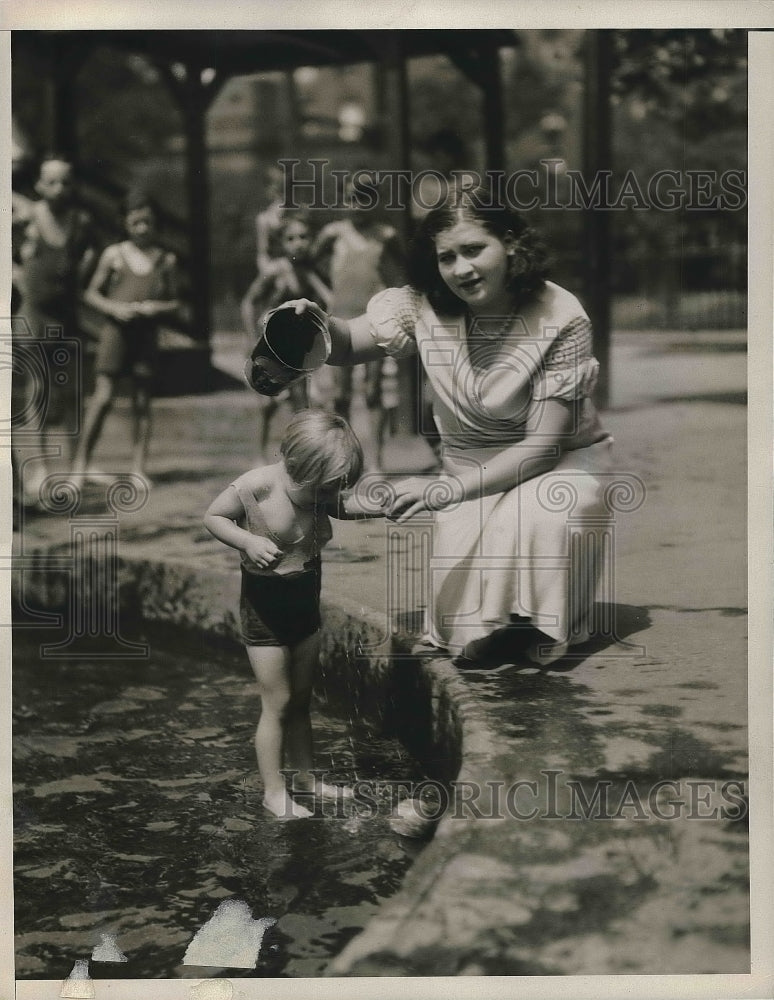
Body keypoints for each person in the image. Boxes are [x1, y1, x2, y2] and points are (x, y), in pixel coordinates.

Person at [282, 183, 615, 669]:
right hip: (470, 463)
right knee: (463, 625)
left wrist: (442, 491)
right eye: (447, 257)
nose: (462, 269)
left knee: (538, 514)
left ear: (511, 244)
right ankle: (504, 623)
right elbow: (350, 342)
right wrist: (314, 323)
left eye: (475, 249)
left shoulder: (562, 317)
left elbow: (544, 446)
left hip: (559, 461)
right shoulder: (421, 304)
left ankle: (538, 628)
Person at [203, 410, 385, 819]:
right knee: (279, 701)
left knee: (303, 698)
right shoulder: (257, 487)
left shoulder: (317, 491)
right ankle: (274, 791)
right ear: (294, 469)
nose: (327, 501)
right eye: (322, 492)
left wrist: (383, 506)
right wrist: (247, 540)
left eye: (331, 492)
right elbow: (213, 516)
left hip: (305, 602)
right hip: (264, 610)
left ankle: (305, 778)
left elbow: (344, 507)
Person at [73, 189, 180, 484]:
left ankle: (138, 467)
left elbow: (175, 302)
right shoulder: (115, 254)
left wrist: (154, 307)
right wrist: (114, 308)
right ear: (125, 224)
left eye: (148, 223)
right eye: (136, 223)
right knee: (103, 397)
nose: (143, 229)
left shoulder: (165, 259)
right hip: (116, 333)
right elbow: (91, 293)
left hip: (146, 336)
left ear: (156, 224)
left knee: (142, 401)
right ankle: (80, 464)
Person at [14, 154, 97, 501]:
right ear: (39, 185)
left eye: (66, 181)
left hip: (67, 317)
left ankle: (77, 467)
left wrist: (83, 273)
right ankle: (40, 468)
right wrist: (19, 276)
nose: (59, 188)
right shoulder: (27, 217)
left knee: (72, 394)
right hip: (35, 315)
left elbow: (90, 252)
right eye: (52, 182)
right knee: (38, 392)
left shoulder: (81, 220)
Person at [241, 214, 332, 459]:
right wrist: (251, 337)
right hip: (268, 344)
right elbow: (249, 302)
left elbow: (327, 303)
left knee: (301, 403)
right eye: (291, 239)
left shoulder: (314, 273)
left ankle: (298, 457)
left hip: (296, 348)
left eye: (303, 237)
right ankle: (259, 457)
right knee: (267, 404)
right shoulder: (276, 270)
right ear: (282, 243)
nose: (298, 243)